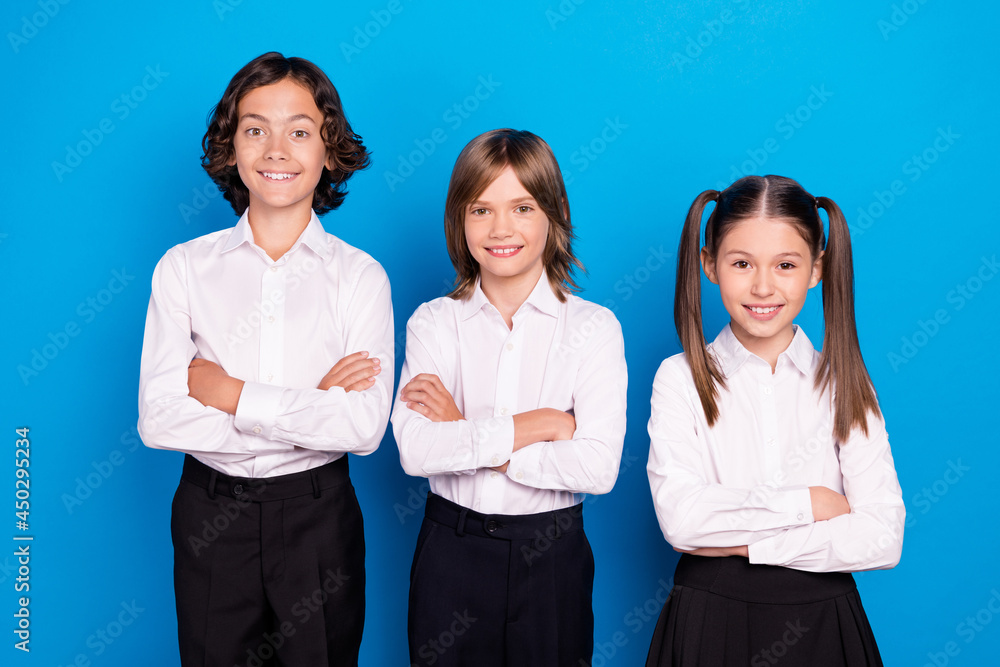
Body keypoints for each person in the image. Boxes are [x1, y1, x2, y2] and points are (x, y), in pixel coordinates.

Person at [137, 52, 392, 667]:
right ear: (231, 147)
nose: (277, 149)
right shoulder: (183, 268)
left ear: (330, 151)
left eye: (300, 131)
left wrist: (230, 394)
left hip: (318, 516)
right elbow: (160, 420)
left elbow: (362, 429)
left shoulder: (360, 278)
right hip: (211, 515)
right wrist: (310, 406)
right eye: (256, 130)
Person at [646, 175, 904, 666]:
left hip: (823, 622)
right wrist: (812, 503)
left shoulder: (847, 384)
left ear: (816, 269)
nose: (763, 286)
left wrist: (744, 543)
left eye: (786, 265)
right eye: (741, 263)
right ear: (709, 264)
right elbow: (682, 521)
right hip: (709, 620)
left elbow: (881, 538)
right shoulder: (679, 379)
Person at [392, 129, 627, 666]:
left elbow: (597, 468)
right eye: (481, 210)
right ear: (459, 218)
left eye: (522, 208)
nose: (501, 229)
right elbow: (417, 452)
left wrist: (467, 433)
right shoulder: (434, 323)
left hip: (552, 557)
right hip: (451, 551)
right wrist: (539, 423)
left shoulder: (593, 329)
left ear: (555, 211)